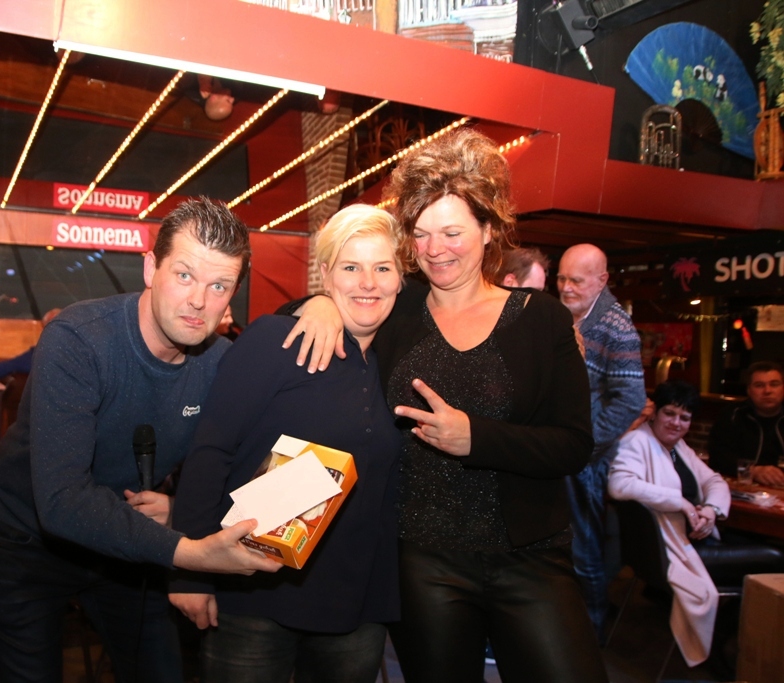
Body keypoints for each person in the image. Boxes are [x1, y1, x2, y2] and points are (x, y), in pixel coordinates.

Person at [284, 129, 607, 683]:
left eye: (453, 232)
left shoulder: (541, 320)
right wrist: (320, 305)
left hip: (530, 558)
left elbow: (574, 445)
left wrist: (476, 439)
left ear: (489, 229)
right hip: (423, 560)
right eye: (422, 233)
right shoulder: (396, 310)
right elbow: (324, 298)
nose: (435, 249)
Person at [0, 198, 281, 683]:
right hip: (26, 542)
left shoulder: (222, 362)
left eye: (218, 285)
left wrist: (177, 508)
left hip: (128, 542)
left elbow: (242, 465)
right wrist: (190, 554)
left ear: (232, 295)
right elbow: (62, 501)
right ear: (150, 268)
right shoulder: (78, 338)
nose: (198, 301)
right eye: (184, 275)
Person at [169, 204, 409, 683]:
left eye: (383, 268)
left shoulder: (399, 362)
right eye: (350, 267)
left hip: (354, 606)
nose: (368, 282)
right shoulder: (277, 339)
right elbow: (211, 450)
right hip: (254, 593)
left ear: (401, 279)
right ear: (326, 274)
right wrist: (189, 572)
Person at [608, 380, 784, 668]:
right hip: (673, 550)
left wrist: (712, 510)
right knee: (776, 558)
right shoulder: (636, 441)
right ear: (654, 413)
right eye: (669, 413)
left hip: (692, 539)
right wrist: (680, 502)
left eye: (685, 417)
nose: (676, 423)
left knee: (751, 545)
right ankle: (722, 640)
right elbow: (619, 485)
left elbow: (714, 480)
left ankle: (722, 631)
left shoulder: (678, 447)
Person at [557, 242, 646, 635]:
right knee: (562, 550)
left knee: (583, 552)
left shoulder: (615, 326)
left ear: (602, 280)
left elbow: (631, 399)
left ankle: (591, 635)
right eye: (562, 278)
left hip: (585, 460)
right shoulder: (565, 317)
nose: (566, 287)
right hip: (561, 454)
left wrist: (587, 446)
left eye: (576, 280)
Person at [708, 361, 784, 486]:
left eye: (774, 384)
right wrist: (753, 470)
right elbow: (718, 458)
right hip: (742, 487)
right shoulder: (732, 415)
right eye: (759, 385)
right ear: (749, 390)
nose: (767, 391)